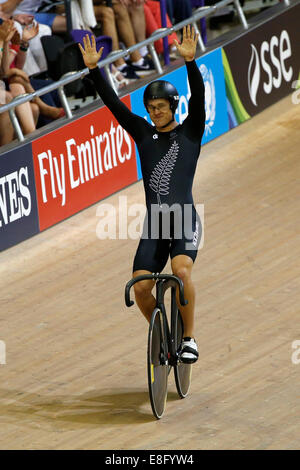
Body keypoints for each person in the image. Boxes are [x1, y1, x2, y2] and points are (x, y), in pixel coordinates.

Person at [79, 25, 205, 364]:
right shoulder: (142, 132)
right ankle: (163, 338)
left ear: (174, 106)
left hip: (183, 219)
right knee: (140, 288)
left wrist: (190, 62)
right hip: (155, 224)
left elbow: (200, 98)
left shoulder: (191, 132)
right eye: (151, 107)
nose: (155, 112)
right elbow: (112, 105)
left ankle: (190, 339)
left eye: (161, 107)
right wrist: (94, 70)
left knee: (181, 272)